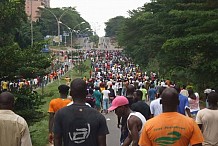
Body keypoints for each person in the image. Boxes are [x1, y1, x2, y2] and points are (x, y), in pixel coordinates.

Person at [139, 88, 204, 146]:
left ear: (161, 102)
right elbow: (198, 144)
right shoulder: (191, 123)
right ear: (178, 102)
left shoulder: (148, 125)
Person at [53, 78, 109, 146]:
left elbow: (57, 139)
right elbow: (102, 143)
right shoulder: (99, 116)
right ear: (86, 93)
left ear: (70, 93)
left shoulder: (60, 114)